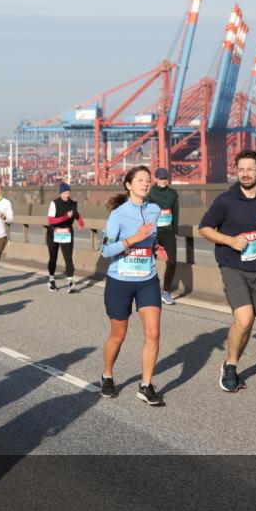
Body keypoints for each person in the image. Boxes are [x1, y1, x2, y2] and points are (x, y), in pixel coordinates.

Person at [199, 150, 256, 393]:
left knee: (247, 323)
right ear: (236, 171)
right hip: (232, 266)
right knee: (244, 317)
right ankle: (232, 367)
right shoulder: (225, 200)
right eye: (241, 169)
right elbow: (204, 228)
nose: (245, 174)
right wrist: (229, 240)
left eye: (250, 169)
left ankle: (229, 361)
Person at [99, 165, 167, 406]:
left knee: (153, 333)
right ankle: (107, 374)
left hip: (147, 279)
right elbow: (105, 249)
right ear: (128, 185)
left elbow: (152, 236)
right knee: (118, 335)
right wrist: (133, 239)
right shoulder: (118, 214)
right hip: (120, 281)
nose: (146, 184)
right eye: (140, 180)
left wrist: (155, 247)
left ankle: (145, 385)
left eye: (148, 180)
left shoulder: (155, 209)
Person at [147, 167, 179, 305]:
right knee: (150, 262)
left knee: (172, 263)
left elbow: (176, 212)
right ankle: (151, 289)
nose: (163, 181)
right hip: (153, 233)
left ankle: (166, 292)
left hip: (168, 232)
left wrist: (175, 230)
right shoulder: (150, 194)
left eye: (165, 178)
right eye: (161, 178)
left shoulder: (173, 194)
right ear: (155, 179)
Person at [45, 181, 85, 293]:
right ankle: (51, 279)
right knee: (53, 257)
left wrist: (80, 221)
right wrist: (66, 216)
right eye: (64, 192)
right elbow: (50, 220)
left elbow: (76, 214)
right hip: (54, 232)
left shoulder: (73, 204)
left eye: (68, 192)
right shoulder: (54, 203)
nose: (66, 194)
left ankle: (70, 282)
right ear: (60, 193)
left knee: (68, 258)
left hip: (67, 232)